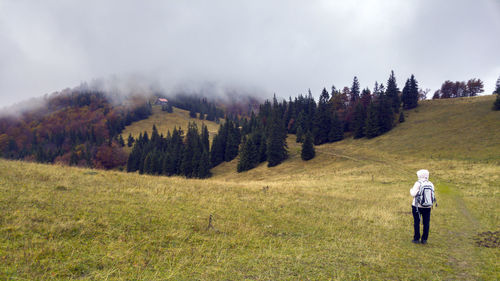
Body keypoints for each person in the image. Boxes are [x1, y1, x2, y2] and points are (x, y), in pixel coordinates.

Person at [410, 169, 435, 244]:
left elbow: (413, 194)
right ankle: (424, 239)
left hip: (417, 206)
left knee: (416, 222)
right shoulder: (431, 184)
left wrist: (411, 190)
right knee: (426, 222)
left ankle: (416, 239)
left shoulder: (418, 183)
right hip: (428, 206)